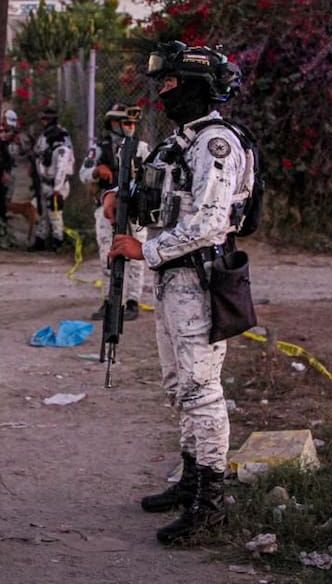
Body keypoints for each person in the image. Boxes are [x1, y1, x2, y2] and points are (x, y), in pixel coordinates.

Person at [107, 40, 249, 545]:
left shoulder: (216, 143)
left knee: (201, 389)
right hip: (174, 279)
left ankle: (211, 502)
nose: (163, 91)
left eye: (169, 82)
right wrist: (118, 201)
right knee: (178, 386)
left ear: (193, 85)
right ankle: (190, 480)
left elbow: (210, 223)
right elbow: (162, 203)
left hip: (200, 278)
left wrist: (143, 251)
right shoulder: (180, 141)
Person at [81, 103, 149, 322]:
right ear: (113, 123)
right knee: (107, 256)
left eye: (133, 123)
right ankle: (110, 300)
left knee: (138, 255)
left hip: (135, 209)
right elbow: (84, 172)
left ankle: (132, 301)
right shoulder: (100, 148)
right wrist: (96, 171)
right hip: (107, 208)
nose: (130, 127)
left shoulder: (142, 148)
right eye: (125, 122)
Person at [30, 106, 75, 252]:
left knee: (55, 213)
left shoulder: (61, 144)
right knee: (43, 212)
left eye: (45, 119)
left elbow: (61, 169)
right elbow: (38, 154)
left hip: (56, 184)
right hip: (44, 182)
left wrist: (57, 189)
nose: (43, 122)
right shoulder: (45, 136)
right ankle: (41, 239)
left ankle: (58, 241)